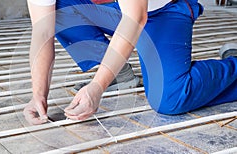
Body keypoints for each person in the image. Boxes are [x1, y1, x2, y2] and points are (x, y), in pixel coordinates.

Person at [23, 0, 237, 125]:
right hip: (114, 8)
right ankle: (117, 73)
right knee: (61, 8)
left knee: (170, 98)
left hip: (161, 12)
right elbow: (42, 31)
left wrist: (97, 87)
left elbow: (135, 17)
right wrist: (38, 95)